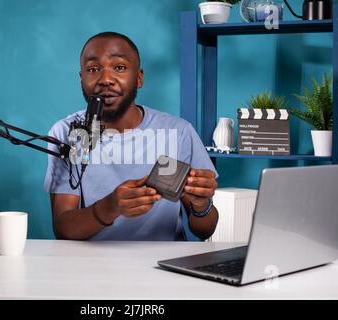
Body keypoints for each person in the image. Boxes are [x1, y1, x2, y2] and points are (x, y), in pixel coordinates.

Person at [44, 32, 219, 241]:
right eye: (93, 69)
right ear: (82, 80)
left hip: (161, 264)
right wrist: (109, 207)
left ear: (139, 78)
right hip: (92, 265)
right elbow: (63, 228)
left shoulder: (176, 132)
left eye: (119, 67)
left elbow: (205, 230)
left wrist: (201, 205)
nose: (106, 80)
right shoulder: (69, 133)